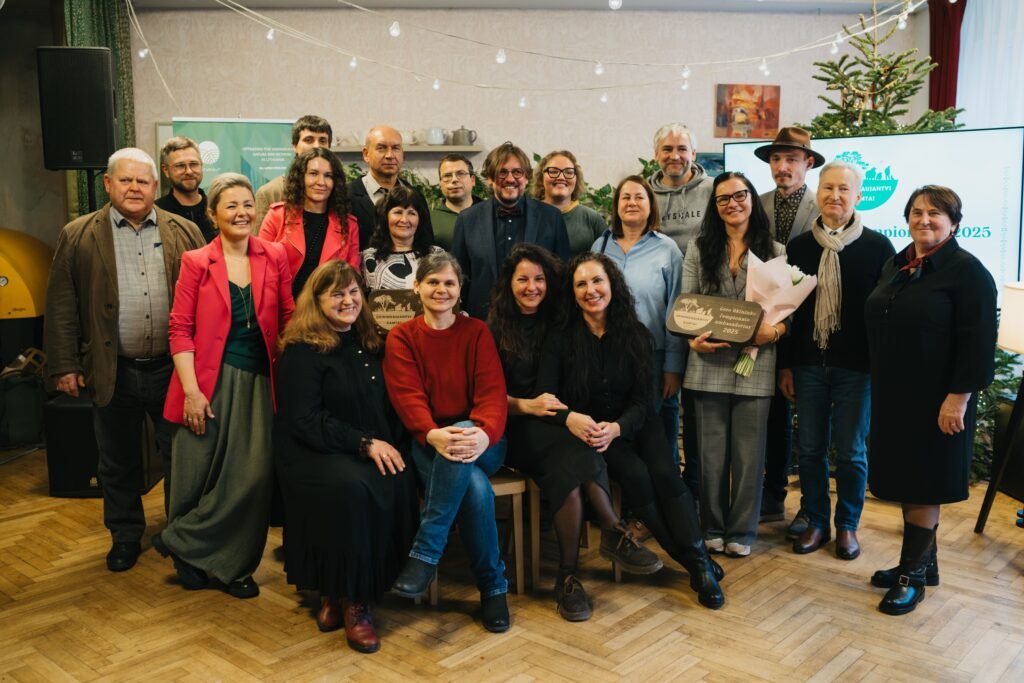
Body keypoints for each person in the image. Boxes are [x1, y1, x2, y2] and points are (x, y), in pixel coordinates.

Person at [44, 147, 204, 573]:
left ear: (155, 185)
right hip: (112, 368)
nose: (135, 188)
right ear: (108, 184)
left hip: (173, 370)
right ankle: (125, 535)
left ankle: (183, 536)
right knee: (117, 459)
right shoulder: (78, 234)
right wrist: (64, 365)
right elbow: (61, 304)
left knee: (182, 457)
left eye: (143, 181)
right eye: (126, 180)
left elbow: (207, 301)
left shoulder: (185, 231)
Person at [536, 252, 725, 610]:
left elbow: (645, 401)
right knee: (637, 474)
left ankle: (698, 561)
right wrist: (573, 419)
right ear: (572, 293)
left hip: (635, 423)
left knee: (666, 473)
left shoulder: (636, 333)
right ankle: (696, 565)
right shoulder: (559, 338)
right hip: (594, 432)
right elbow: (547, 397)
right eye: (581, 284)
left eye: (597, 281)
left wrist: (619, 426)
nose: (590, 290)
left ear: (612, 284)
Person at [488, 244, 663, 621]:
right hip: (513, 427)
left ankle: (568, 577)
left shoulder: (560, 320)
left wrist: (573, 417)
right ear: (509, 283)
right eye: (522, 279)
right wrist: (528, 406)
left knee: (574, 455)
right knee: (576, 450)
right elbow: (485, 397)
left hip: (556, 424)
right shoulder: (493, 329)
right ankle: (612, 531)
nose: (532, 286)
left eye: (539, 279)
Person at [152, 173, 294, 599]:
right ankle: (190, 558)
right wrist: (192, 392)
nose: (242, 212)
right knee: (195, 475)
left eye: (248, 204)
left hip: (260, 383)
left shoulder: (275, 255)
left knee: (252, 479)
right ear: (213, 215)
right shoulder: (197, 261)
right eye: (231, 206)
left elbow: (288, 318)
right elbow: (180, 329)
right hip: (204, 383)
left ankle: (228, 563)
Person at [865, 185, 996, 615]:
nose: (924, 220)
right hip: (896, 396)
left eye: (935, 213)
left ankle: (912, 579)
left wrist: (957, 399)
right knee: (907, 478)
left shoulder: (967, 272)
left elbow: (978, 344)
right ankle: (924, 563)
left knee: (924, 481)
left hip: (938, 400)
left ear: (953, 223)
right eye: (917, 212)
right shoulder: (898, 264)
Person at [275, 261, 417, 653]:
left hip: (365, 445)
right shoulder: (301, 349)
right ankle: (356, 604)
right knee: (351, 489)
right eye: (336, 294)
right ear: (316, 300)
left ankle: (337, 594)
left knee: (396, 475)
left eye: (354, 292)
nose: (348, 300)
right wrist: (365, 444)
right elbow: (305, 420)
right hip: (312, 450)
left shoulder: (370, 340)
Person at [382, 252, 512, 633]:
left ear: (459, 289)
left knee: (465, 439)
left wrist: (481, 433)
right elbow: (407, 397)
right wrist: (432, 432)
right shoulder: (402, 337)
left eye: (449, 283)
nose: (441, 289)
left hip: (484, 439)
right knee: (474, 487)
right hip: (429, 442)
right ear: (416, 287)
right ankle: (493, 587)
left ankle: (425, 553)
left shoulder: (477, 333)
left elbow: (492, 395)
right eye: (433, 282)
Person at [777, 161, 895, 560]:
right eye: (828, 188)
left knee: (851, 453)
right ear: (818, 192)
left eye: (844, 189)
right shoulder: (799, 248)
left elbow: (887, 314)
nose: (835, 196)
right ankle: (815, 521)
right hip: (808, 365)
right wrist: (786, 366)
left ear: (858, 196)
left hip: (857, 369)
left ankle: (847, 525)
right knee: (810, 450)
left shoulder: (879, 248)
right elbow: (787, 312)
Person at [682, 172, 787, 558]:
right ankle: (711, 527)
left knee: (748, 455)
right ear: (715, 206)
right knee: (710, 455)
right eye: (723, 199)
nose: (732, 204)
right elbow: (687, 303)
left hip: (754, 361)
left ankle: (741, 530)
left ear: (751, 199)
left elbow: (785, 313)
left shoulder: (775, 250)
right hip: (707, 361)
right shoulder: (699, 248)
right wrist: (691, 338)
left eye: (739, 195)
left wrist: (773, 333)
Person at [755, 126, 826, 532]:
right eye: (776, 159)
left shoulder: (822, 208)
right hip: (762, 324)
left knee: (807, 424)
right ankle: (771, 494)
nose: (782, 167)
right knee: (771, 416)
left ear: (808, 163)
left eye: (791, 160)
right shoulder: (757, 204)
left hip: (807, 329)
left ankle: (808, 507)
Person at [593, 176, 683, 466]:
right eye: (626, 197)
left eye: (639, 197)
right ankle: (630, 489)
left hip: (653, 357)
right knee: (622, 429)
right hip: (610, 354)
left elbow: (677, 310)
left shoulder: (667, 249)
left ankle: (665, 486)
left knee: (657, 432)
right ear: (616, 205)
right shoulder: (601, 246)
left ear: (650, 204)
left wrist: (673, 366)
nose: (632, 203)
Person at [648, 123, 713, 497]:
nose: (675, 156)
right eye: (668, 149)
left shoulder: (711, 191)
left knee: (700, 408)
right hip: (662, 313)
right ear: (656, 155)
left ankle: (698, 486)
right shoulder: (647, 195)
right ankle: (670, 486)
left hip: (706, 310)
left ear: (694, 153)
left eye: (682, 149)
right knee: (667, 404)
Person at [452, 141, 570, 319]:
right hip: (483, 321)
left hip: (538, 321)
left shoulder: (551, 217)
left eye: (517, 172)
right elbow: (458, 277)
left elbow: (562, 275)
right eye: (502, 172)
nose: (510, 179)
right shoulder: (467, 219)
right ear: (490, 178)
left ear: (527, 177)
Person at [259, 147, 360, 297]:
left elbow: (352, 277)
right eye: (313, 174)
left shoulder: (349, 225)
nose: (321, 182)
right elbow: (261, 268)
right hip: (281, 304)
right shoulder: (277, 216)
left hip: (329, 307)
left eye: (328, 176)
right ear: (301, 178)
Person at [346, 126, 434, 249]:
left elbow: (426, 244)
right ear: (366, 154)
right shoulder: (346, 196)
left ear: (402, 153)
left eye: (396, 148)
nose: (390, 155)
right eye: (381, 148)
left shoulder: (415, 196)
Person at [255, 114, 333, 227]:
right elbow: (259, 238)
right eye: (309, 140)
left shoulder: (336, 190)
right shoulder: (269, 193)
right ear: (295, 146)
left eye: (322, 141)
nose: (316, 146)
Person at [361, 185, 444, 291]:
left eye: (411, 213)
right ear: (385, 217)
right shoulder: (368, 258)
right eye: (398, 212)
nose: (404, 220)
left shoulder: (436, 255)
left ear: (420, 219)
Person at [531, 150, 607, 255]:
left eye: (569, 172)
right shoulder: (528, 216)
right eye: (553, 171)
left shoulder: (592, 219)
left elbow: (608, 260)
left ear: (576, 178)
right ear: (541, 178)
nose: (561, 177)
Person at [155, 136, 215, 242]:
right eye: (180, 166)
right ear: (166, 170)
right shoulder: (157, 212)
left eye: (194, 164)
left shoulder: (216, 208)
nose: (189, 171)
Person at [430, 154, 482, 251]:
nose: (454, 180)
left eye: (461, 174)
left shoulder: (488, 212)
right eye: (447, 176)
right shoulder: (429, 216)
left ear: (472, 180)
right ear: (440, 184)